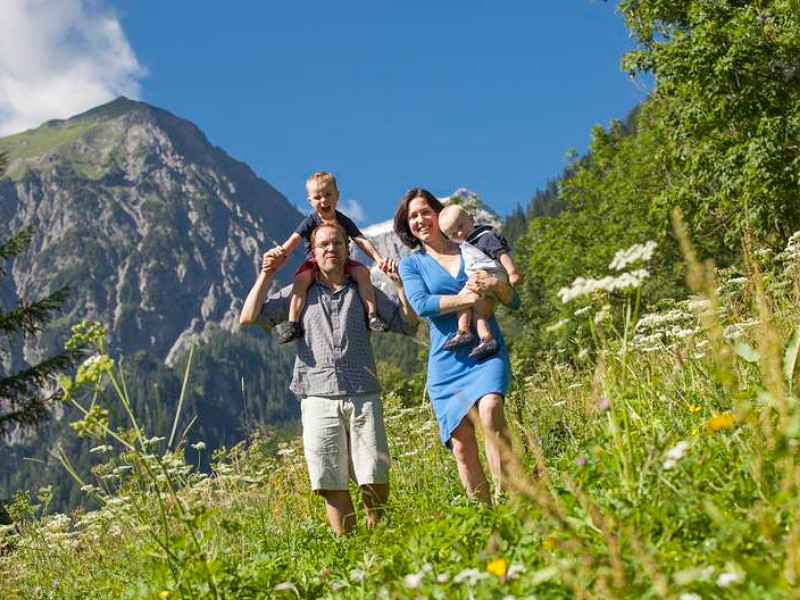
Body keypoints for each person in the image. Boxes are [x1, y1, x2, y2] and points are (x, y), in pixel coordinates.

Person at [240, 222, 417, 534]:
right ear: (313, 252)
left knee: (374, 475)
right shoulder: (299, 291)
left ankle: (379, 540)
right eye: (323, 245)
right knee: (330, 480)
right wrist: (266, 274)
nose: (330, 249)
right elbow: (249, 317)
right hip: (316, 395)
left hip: (362, 392)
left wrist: (400, 286)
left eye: (337, 243)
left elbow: (407, 324)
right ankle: (347, 548)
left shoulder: (363, 292)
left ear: (347, 250)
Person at [394, 189, 517, 505]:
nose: (420, 220)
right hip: (446, 359)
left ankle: (507, 499)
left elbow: (512, 300)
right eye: (413, 217)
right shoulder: (412, 265)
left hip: (487, 348)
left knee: (491, 409)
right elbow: (421, 305)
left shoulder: (472, 247)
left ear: (438, 213)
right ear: (407, 226)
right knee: (462, 446)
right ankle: (484, 514)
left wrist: (496, 285)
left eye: (425, 211)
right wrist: (466, 299)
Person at [266, 171, 393, 343]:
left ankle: (372, 316)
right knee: (301, 280)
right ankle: (293, 324)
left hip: (342, 261)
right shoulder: (310, 221)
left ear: (337, 196)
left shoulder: (343, 220)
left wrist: (378, 259)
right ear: (310, 201)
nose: (323, 200)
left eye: (328, 194)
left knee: (363, 273)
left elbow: (361, 240)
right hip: (314, 262)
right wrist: (281, 253)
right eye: (317, 197)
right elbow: (294, 239)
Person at [437, 204, 521, 360]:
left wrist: (512, 272)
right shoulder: (466, 244)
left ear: (471, 218)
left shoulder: (485, 237)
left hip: (492, 275)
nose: (460, 233)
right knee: (477, 311)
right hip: (481, 282)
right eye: (454, 234)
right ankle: (487, 338)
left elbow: (502, 254)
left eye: (461, 226)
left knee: (461, 301)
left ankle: (463, 331)